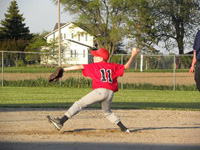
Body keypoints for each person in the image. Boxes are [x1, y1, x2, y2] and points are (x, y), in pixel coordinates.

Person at [47, 47, 139, 132]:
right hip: (110, 93)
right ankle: (124, 128)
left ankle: (61, 122)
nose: (94, 57)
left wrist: (64, 69)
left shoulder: (94, 66)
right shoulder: (112, 66)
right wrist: (133, 55)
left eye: (96, 56)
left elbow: (79, 67)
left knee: (79, 104)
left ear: (101, 58)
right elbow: (126, 67)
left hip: (100, 91)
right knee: (107, 112)